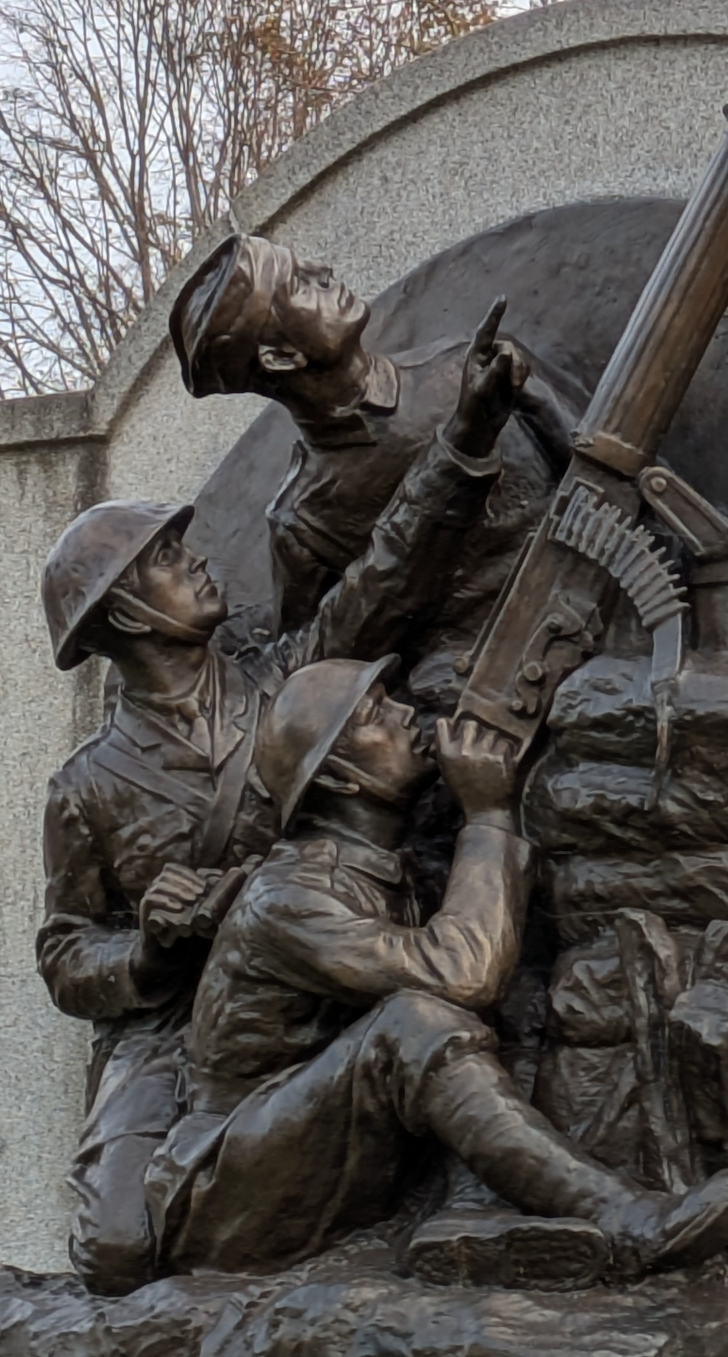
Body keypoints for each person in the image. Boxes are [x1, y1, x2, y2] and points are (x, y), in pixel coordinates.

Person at [38, 302, 531, 1295]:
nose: (197, 559)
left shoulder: (282, 680)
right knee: (120, 1251)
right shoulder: (88, 789)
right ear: (127, 611)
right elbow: (62, 951)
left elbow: (383, 578)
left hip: (305, 990)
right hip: (169, 1037)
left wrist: (468, 436)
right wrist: (143, 949)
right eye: (169, 562)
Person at [145, 658, 728, 1286]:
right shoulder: (288, 898)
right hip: (228, 1192)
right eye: (375, 714)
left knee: (503, 999)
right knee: (416, 1021)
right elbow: (465, 973)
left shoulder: (383, 871)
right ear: (341, 776)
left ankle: (474, 1213)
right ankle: (626, 1218)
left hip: (315, 1155)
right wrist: (488, 814)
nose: (406, 714)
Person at [168, 234, 579, 698]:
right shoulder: (302, 523)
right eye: (299, 283)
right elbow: (325, 678)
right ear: (281, 356)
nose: (323, 269)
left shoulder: (465, 364)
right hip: (505, 696)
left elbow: (602, 463)